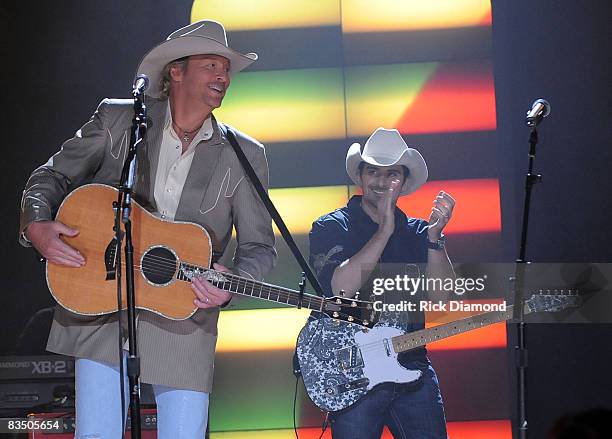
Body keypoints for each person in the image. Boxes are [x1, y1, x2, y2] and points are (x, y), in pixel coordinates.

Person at [19, 20, 276, 438]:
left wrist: (235, 281)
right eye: (211, 65)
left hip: (183, 318)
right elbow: (48, 178)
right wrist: (37, 225)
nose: (223, 77)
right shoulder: (119, 121)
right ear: (176, 71)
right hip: (99, 307)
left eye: (226, 70)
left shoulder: (244, 155)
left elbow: (260, 248)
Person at [309, 127, 455, 439]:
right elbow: (341, 290)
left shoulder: (418, 231)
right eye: (373, 172)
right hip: (354, 376)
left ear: (403, 182)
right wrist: (384, 231)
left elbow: (444, 299)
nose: (382, 182)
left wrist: (434, 240)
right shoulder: (332, 226)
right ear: (360, 176)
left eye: (392, 175)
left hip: (412, 367)